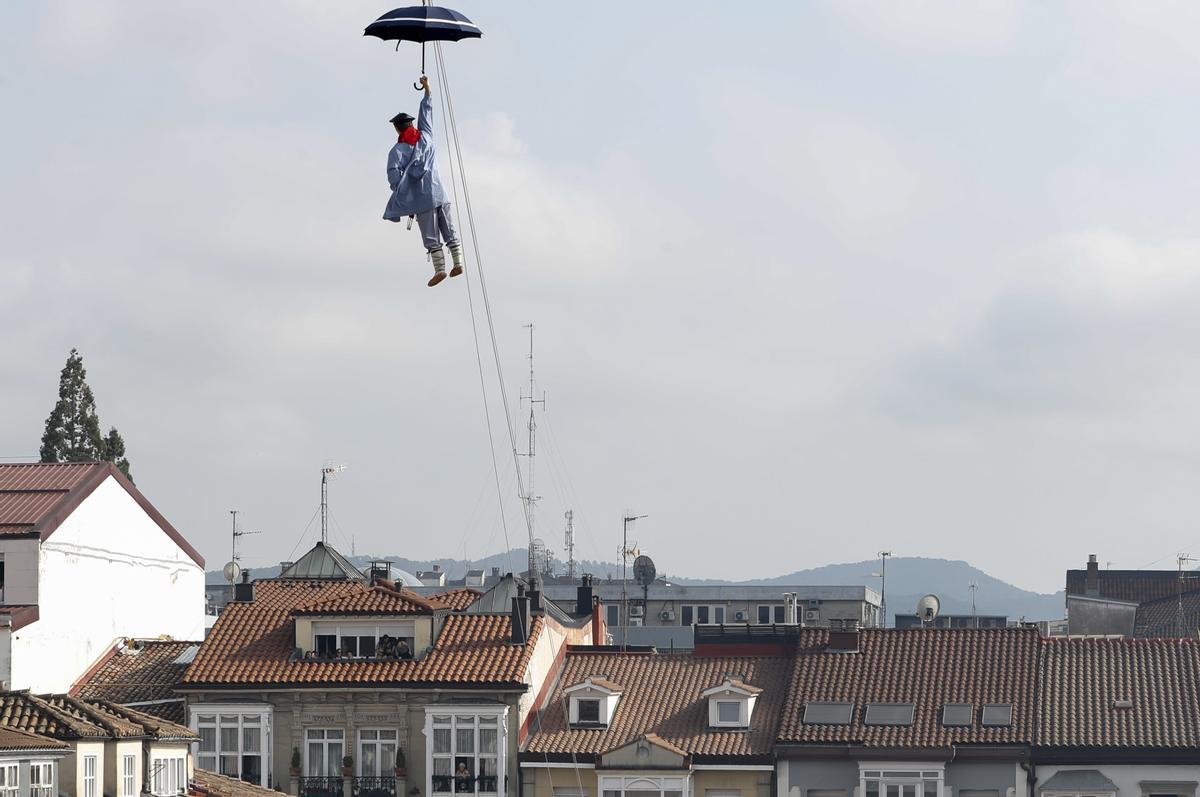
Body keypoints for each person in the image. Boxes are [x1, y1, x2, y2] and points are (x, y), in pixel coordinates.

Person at [383, 75, 465, 287]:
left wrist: (406, 200)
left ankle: (440, 269)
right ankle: (458, 261)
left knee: (430, 235)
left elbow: (394, 177)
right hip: (439, 191)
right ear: (411, 124)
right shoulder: (426, 136)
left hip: (421, 199)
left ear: (397, 128)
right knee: (449, 228)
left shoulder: (397, 151)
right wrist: (427, 89)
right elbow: (427, 112)